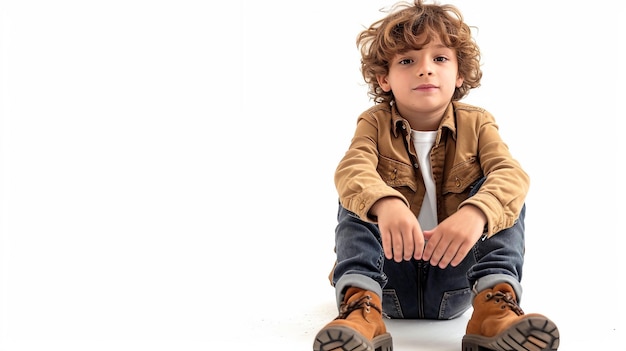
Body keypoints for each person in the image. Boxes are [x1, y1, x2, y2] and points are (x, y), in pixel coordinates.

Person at [312, 1, 560, 351]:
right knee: (358, 192)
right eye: (407, 61)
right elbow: (353, 168)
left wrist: (476, 213)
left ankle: (493, 308)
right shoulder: (374, 122)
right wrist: (386, 204)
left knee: (502, 192)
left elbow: (511, 174)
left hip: (457, 280)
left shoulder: (477, 122)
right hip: (385, 283)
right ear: (384, 78)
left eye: (439, 59)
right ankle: (359, 310)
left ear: (459, 74)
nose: (425, 70)